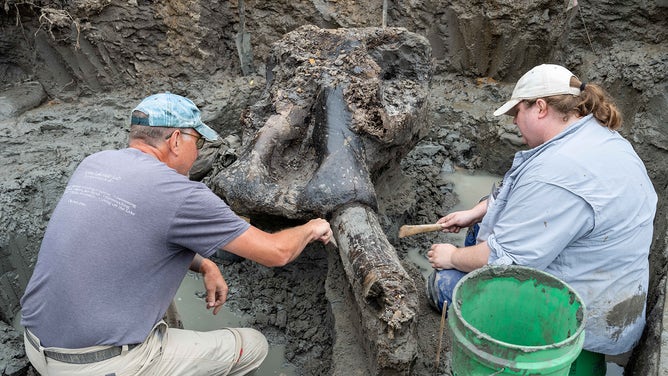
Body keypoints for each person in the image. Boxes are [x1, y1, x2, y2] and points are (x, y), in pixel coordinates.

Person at [20, 92, 334, 376]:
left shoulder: (95, 163)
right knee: (252, 346)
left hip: (37, 345)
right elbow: (275, 252)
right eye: (196, 143)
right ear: (174, 140)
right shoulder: (182, 195)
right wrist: (312, 226)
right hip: (100, 365)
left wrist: (206, 264)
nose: (196, 154)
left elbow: (137, 233)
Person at [425, 64, 657, 369]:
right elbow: (516, 190)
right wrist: (475, 213)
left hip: (571, 320)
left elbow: (505, 260)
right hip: (607, 290)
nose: (514, 123)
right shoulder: (595, 136)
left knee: (444, 284)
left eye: (516, 113)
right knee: (484, 211)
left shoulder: (557, 173)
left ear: (540, 108)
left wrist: (453, 256)